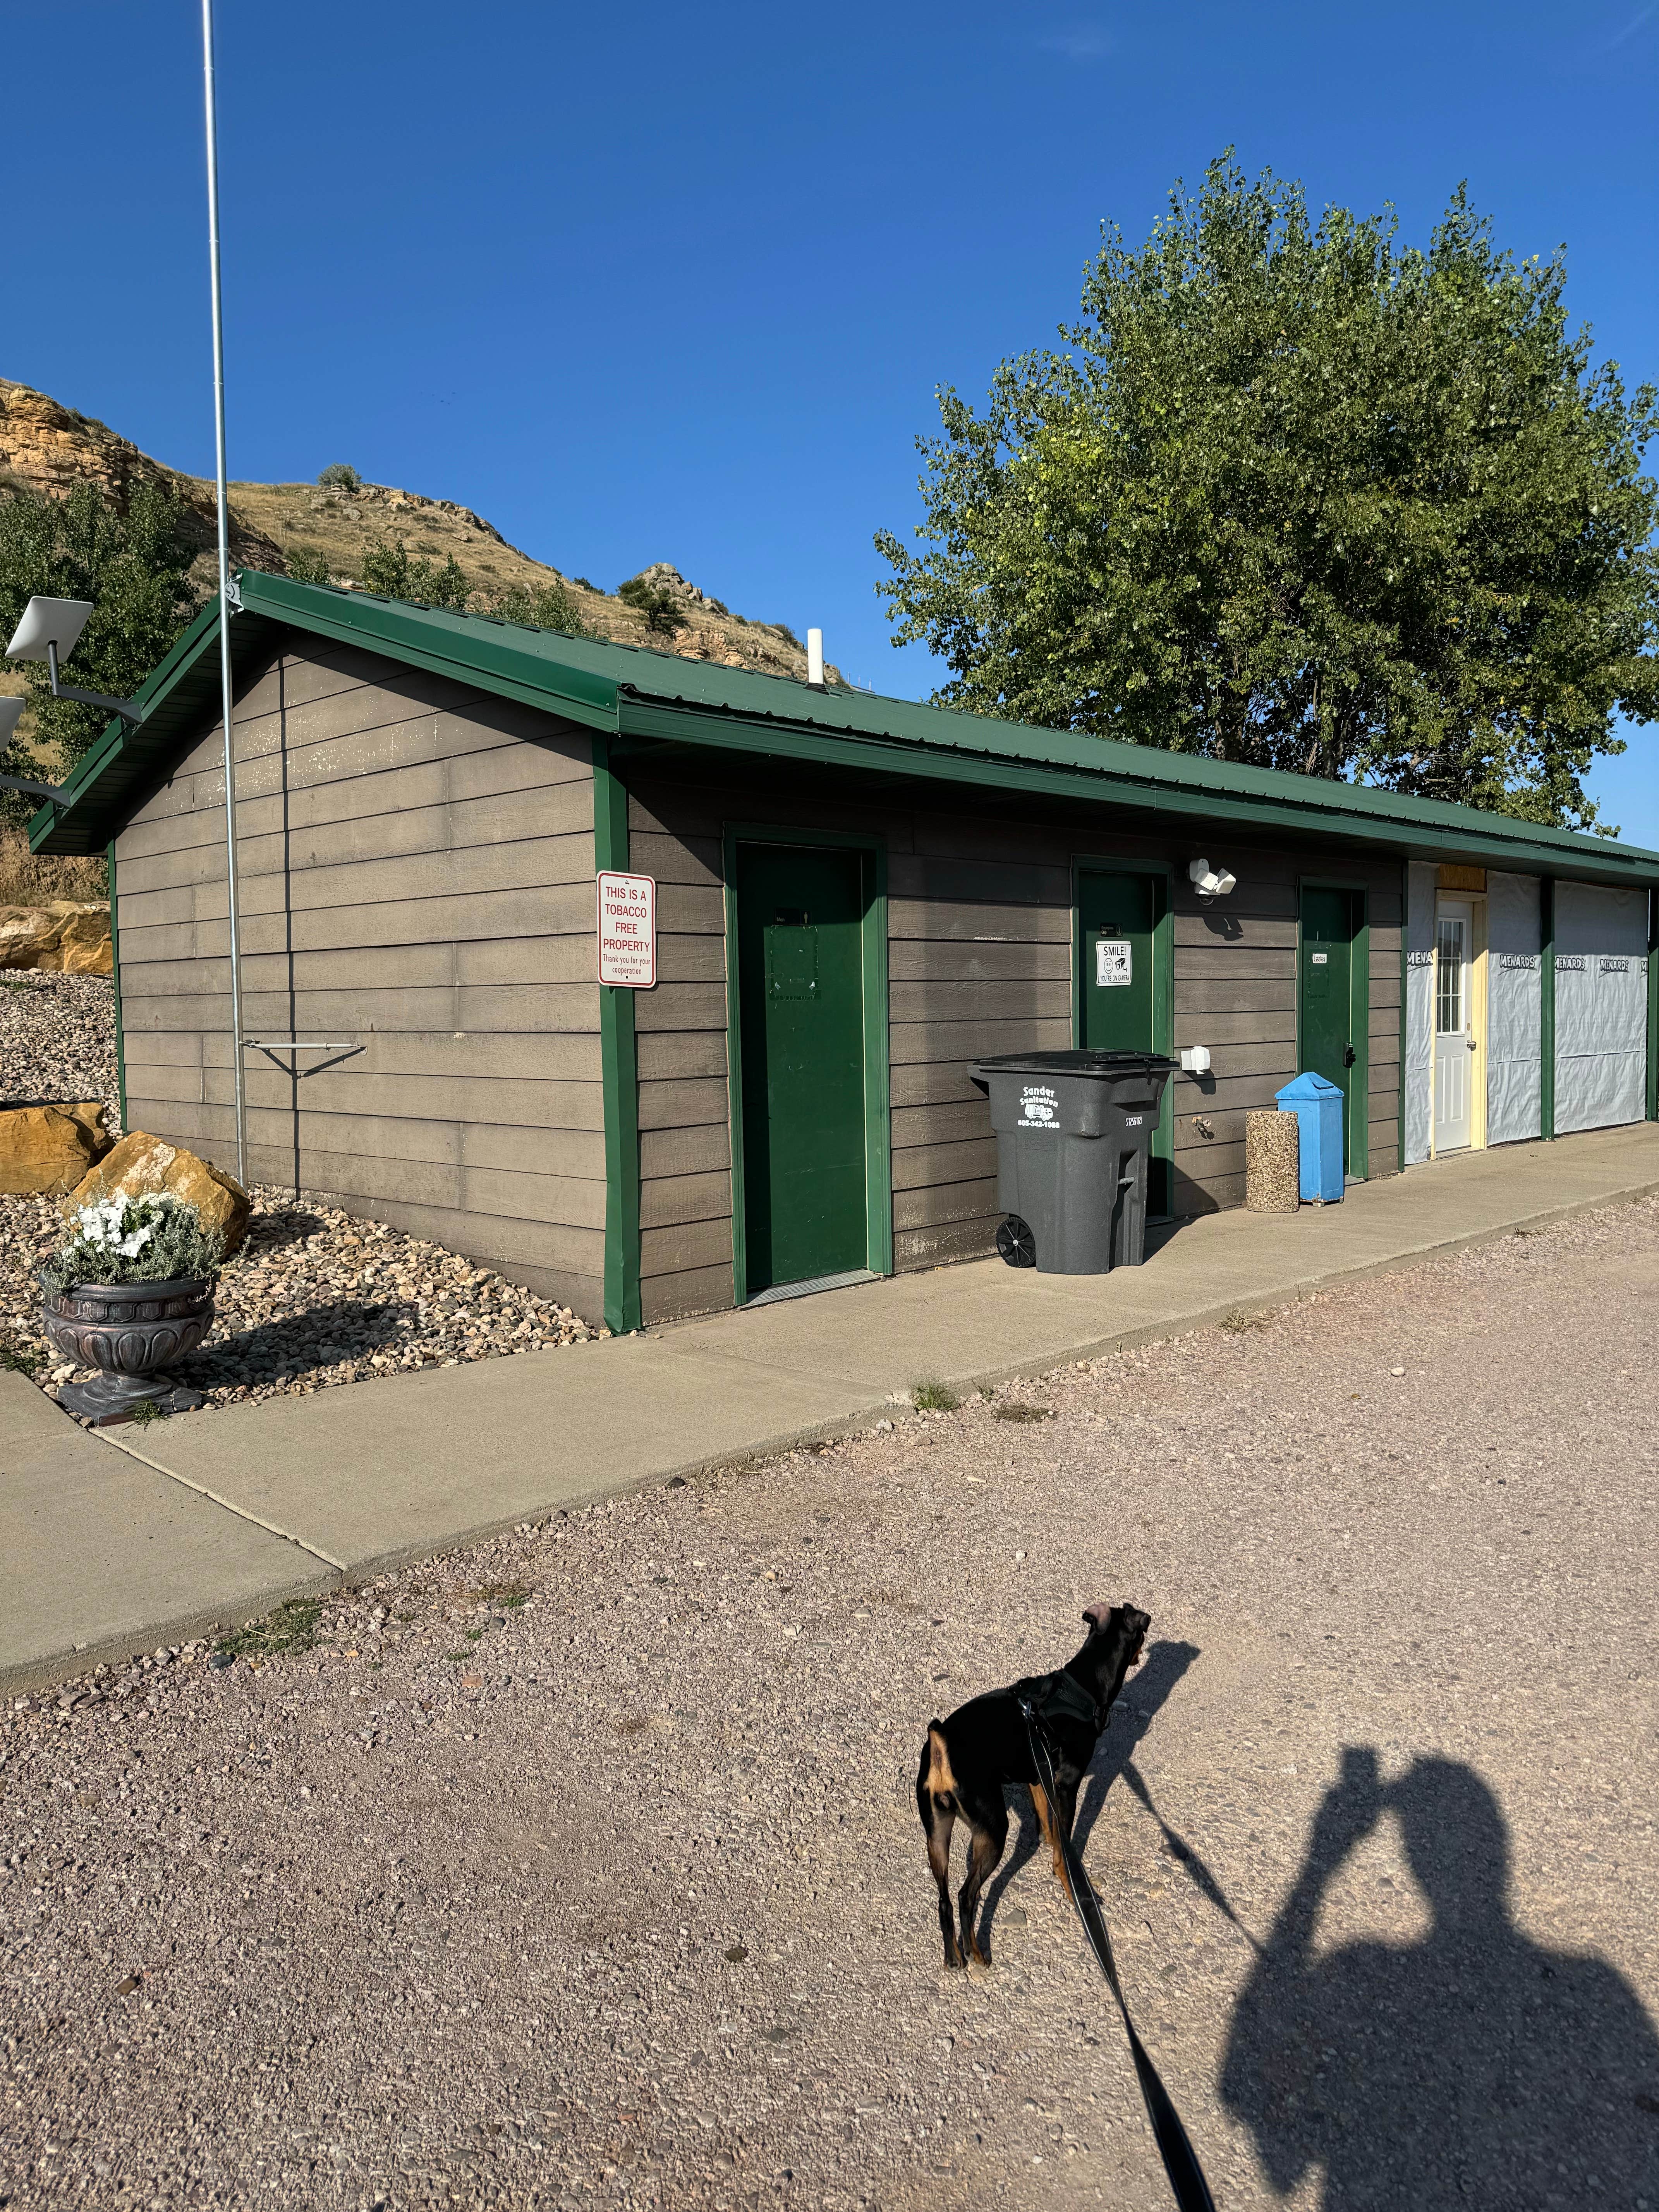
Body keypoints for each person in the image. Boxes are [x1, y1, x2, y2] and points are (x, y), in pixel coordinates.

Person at [1221, 1748, 1659, 2209]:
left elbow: (1270, 2146)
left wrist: (1317, 1869)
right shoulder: (1596, 1988)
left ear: (1414, 1856)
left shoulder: (1360, 1971)